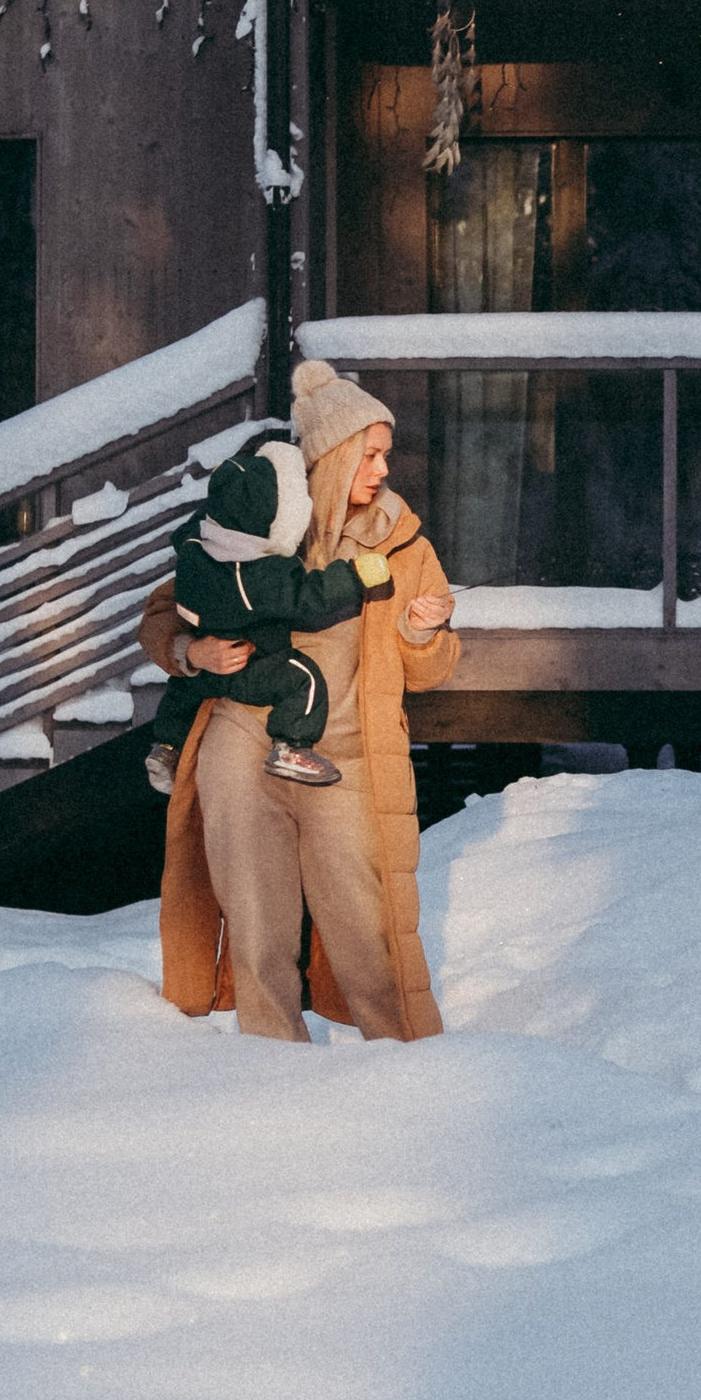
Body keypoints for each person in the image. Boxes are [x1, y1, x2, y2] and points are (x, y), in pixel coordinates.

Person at [140, 363, 461, 1043]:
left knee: (364, 923)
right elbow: (167, 613)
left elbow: (428, 669)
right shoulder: (258, 521)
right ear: (331, 455)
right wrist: (188, 654)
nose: (380, 469)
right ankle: (272, 1063)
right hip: (242, 739)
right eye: (367, 454)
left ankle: (407, 1065)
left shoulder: (402, 546)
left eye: (384, 454)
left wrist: (424, 633)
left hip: (341, 757)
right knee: (255, 917)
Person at [143, 432, 364, 795]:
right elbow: (309, 594)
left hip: (346, 756)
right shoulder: (258, 570)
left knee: (181, 692)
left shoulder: (198, 549)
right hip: (250, 687)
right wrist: (192, 652)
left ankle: (166, 744)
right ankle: (291, 745)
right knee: (303, 678)